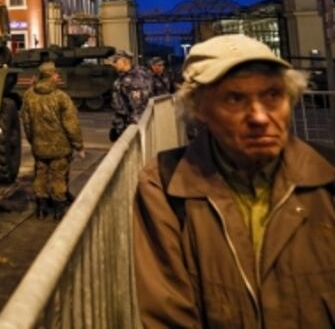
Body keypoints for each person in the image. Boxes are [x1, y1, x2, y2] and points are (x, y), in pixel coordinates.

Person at [133, 34, 335, 327]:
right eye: (234, 98)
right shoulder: (165, 187)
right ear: (199, 109)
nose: (259, 117)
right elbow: (168, 314)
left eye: (272, 95)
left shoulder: (327, 177)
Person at [20, 62, 85, 219]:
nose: (57, 76)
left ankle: (41, 207)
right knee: (58, 176)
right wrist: (78, 145)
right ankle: (58, 209)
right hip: (60, 147)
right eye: (56, 74)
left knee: (40, 174)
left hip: (39, 146)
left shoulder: (29, 96)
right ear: (51, 76)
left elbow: (26, 122)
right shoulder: (61, 97)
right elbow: (71, 124)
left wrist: (33, 140)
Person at [109, 51, 152, 141]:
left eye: (116, 61)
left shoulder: (134, 79)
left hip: (130, 128)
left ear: (124, 61)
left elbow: (138, 109)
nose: (114, 64)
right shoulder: (124, 77)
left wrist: (128, 131)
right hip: (122, 125)